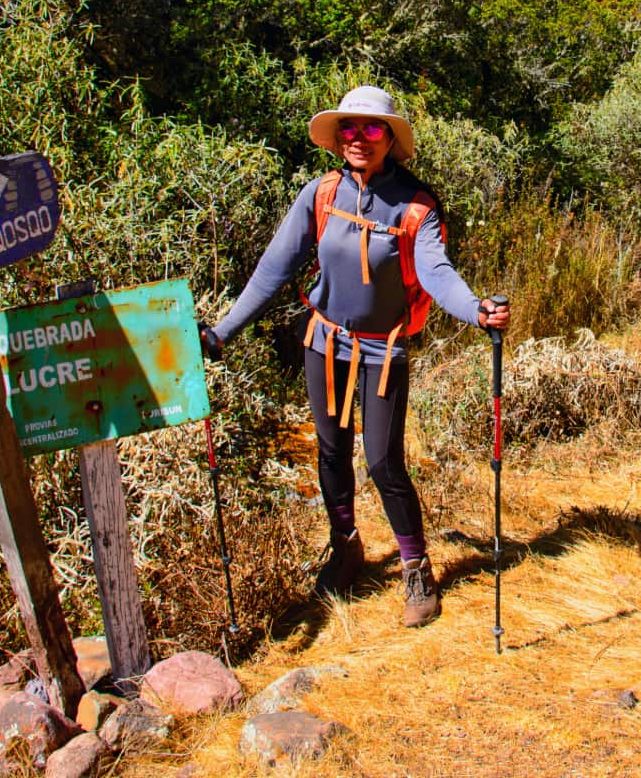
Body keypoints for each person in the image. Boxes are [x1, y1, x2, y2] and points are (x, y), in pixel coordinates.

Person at [199, 86, 511, 628]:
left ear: (390, 137)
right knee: (329, 450)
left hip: (383, 350)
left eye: (371, 129)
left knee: (384, 461)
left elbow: (436, 273)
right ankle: (346, 549)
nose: (358, 139)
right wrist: (223, 332)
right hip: (324, 341)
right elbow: (273, 269)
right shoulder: (320, 195)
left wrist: (476, 311)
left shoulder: (416, 207)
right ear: (338, 137)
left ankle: (416, 567)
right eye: (349, 128)